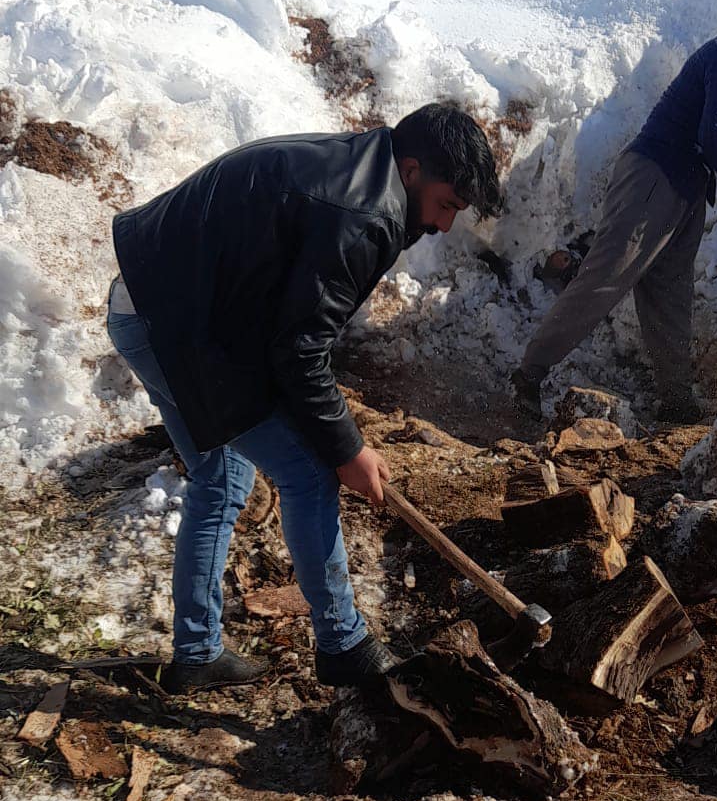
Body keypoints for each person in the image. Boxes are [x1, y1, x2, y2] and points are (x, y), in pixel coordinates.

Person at [107, 104, 501, 694]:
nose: (445, 225)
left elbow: (286, 329)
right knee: (311, 473)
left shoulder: (362, 166)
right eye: (446, 205)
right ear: (414, 170)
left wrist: (327, 426)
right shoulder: (361, 214)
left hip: (159, 304)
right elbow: (298, 351)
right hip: (178, 325)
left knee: (221, 477)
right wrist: (348, 450)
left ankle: (196, 654)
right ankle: (342, 643)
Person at [512, 0, 717, 423]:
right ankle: (527, 376)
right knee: (606, 279)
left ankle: (677, 402)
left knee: (670, 296)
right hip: (655, 177)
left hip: (685, 187)